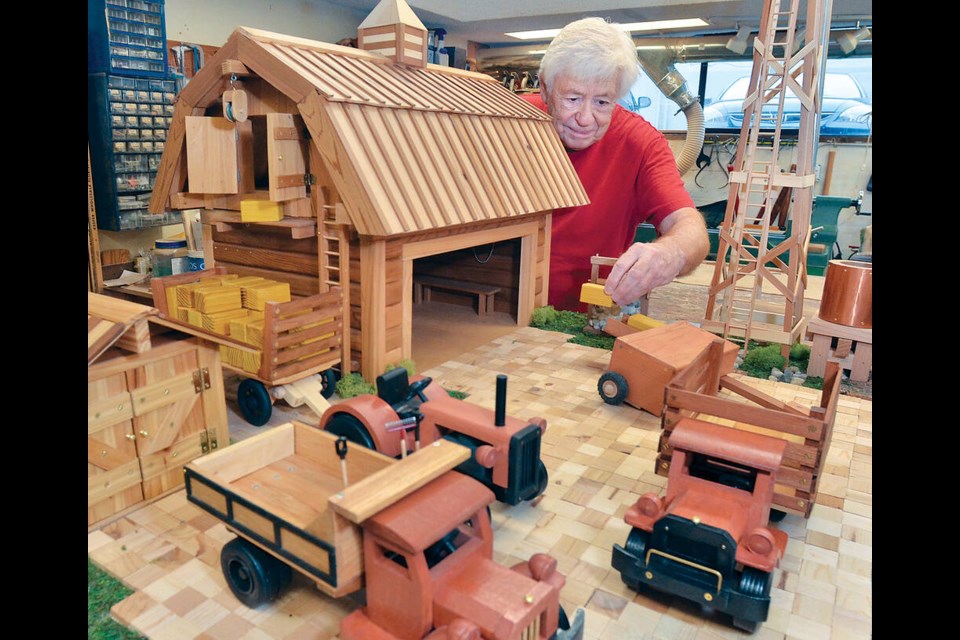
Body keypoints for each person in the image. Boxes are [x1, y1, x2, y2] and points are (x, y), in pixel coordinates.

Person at [519, 17, 709, 312]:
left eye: (602, 103)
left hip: (585, 317)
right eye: (572, 98)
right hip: (488, 308)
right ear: (545, 88)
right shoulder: (506, 120)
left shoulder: (641, 143)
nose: (585, 118)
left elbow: (690, 228)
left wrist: (669, 253)